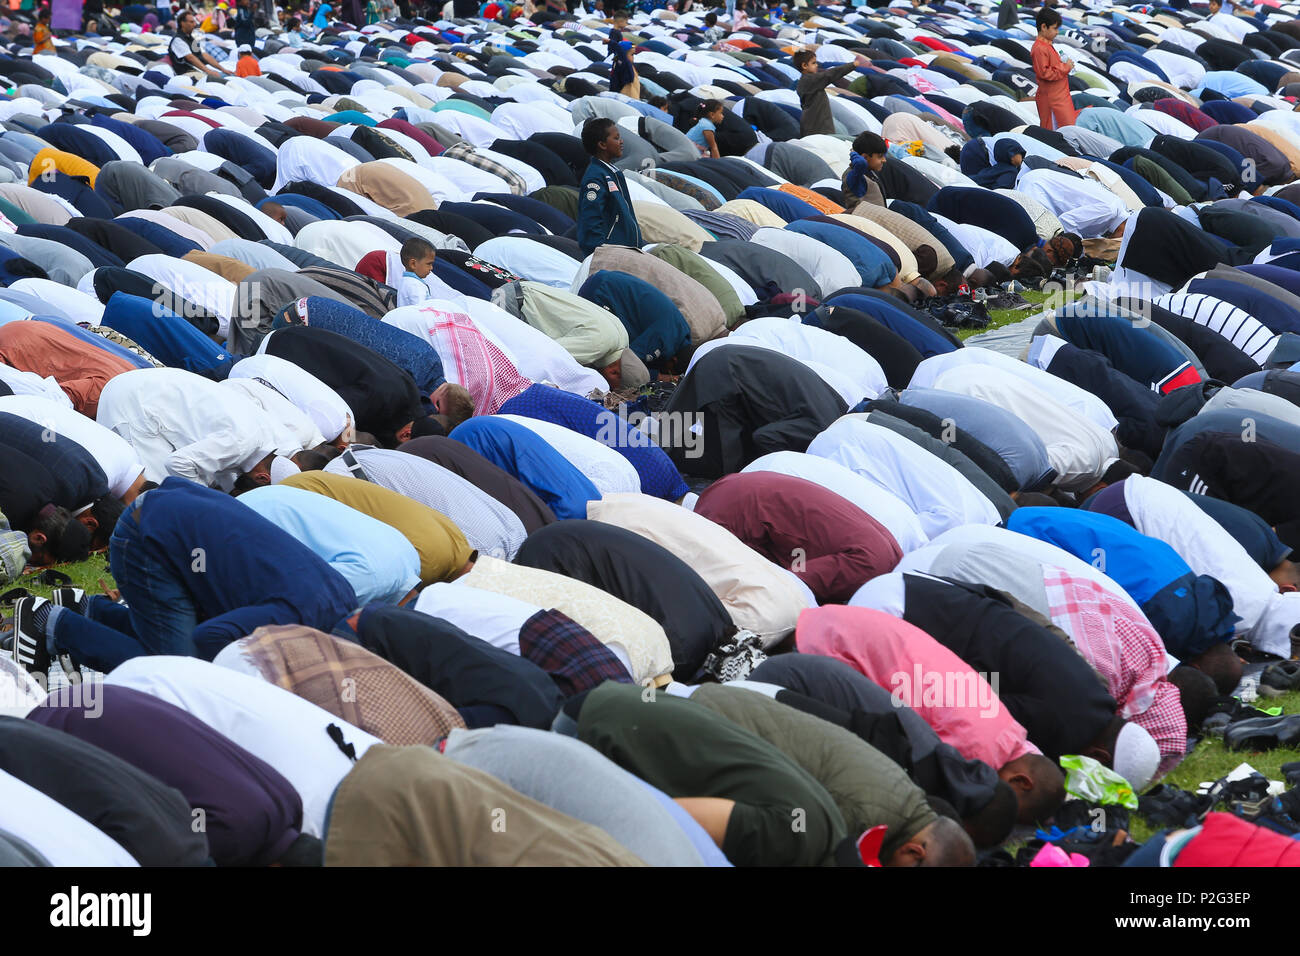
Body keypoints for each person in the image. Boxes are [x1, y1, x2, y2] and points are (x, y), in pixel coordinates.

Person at [10, 478, 358, 675]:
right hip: (150, 538)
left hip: (175, 517)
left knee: (174, 638)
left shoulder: (342, 596)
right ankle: (52, 624)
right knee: (179, 670)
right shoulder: (301, 615)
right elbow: (209, 638)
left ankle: (93, 612)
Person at [798, 605, 1068, 825]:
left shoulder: (1008, 730)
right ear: (1020, 781)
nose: (996, 808)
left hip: (851, 624)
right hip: (831, 645)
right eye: (1008, 807)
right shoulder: (978, 755)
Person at [694, 470, 902, 605]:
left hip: (866, 555)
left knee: (783, 592)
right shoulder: (714, 510)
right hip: (877, 549)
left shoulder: (715, 499)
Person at [576, 118, 642, 257]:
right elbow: (591, 222)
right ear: (602, 144)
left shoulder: (611, 172)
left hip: (625, 252)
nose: (621, 141)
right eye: (616, 138)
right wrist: (601, 254)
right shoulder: (595, 178)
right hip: (611, 256)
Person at [793, 50, 857, 138]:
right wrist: (853, 65)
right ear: (804, 65)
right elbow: (830, 74)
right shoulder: (810, 80)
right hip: (819, 128)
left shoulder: (805, 81)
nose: (817, 65)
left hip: (813, 127)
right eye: (813, 63)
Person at [1032, 7, 1076, 131]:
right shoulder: (1039, 48)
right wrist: (1066, 67)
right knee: (1060, 133)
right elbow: (1045, 73)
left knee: (1068, 130)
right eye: (1055, 28)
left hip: (1060, 98)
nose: (1057, 32)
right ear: (1044, 27)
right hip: (1053, 102)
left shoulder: (1046, 45)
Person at [167, 9, 232, 78]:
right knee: (224, 78)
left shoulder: (191, 38)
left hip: (200, 70)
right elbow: (191, 58)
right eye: (191, 22)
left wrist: (223, 69)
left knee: (229, 75)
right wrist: (209, 71)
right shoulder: (178, 40)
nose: (195, 24)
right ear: (182, 23)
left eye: (194, 22)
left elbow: (204, 55)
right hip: (188, 73)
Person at [843, 131, 888, 204]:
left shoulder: (869, 172)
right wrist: (853, 153)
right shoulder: (854, 175)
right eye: (880, 156)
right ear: (864, 157)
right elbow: (861, 163)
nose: (884, 160)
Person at [396, 237, 437, 309]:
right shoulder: (415, 285)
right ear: (413, 264)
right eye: (429, 264)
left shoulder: (406, 281)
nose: (431, 268)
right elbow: (420, 310)